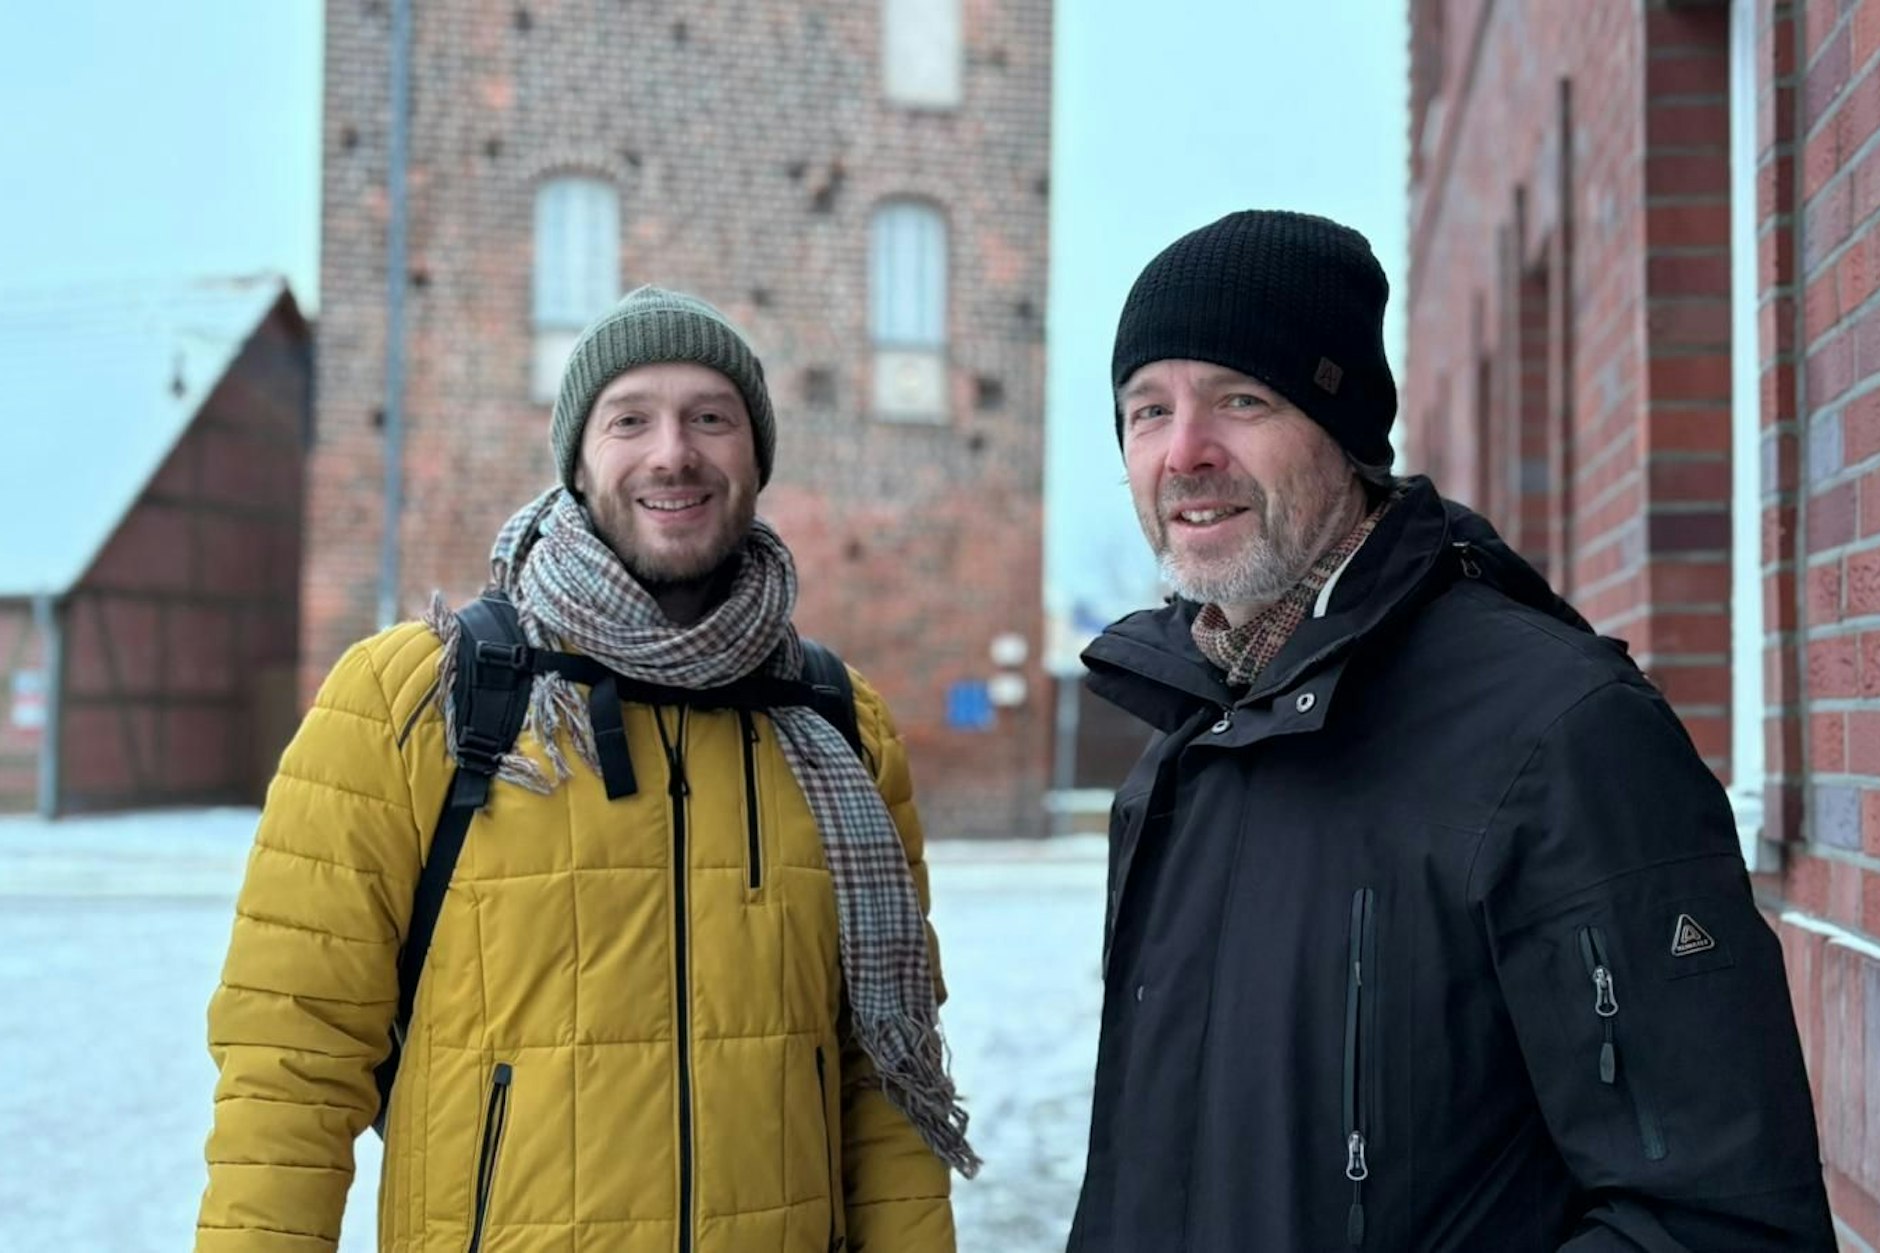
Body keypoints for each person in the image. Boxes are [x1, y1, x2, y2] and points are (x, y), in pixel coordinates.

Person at [1068, 210, 1836, 1251]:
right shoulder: (1183, 753)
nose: (1183, 452)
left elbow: (1712, 1219)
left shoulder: (1557, 732)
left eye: (1240, 399)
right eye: (1146, 409)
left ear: (1342, 433)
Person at [195, 286, 975, 1253]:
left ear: (755, 456)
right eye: (630, 418)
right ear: (577, 458)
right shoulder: (415, 699)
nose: (673, 452)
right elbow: (291, 1058)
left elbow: (885, 1078)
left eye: (711, 418)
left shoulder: (836, 723)